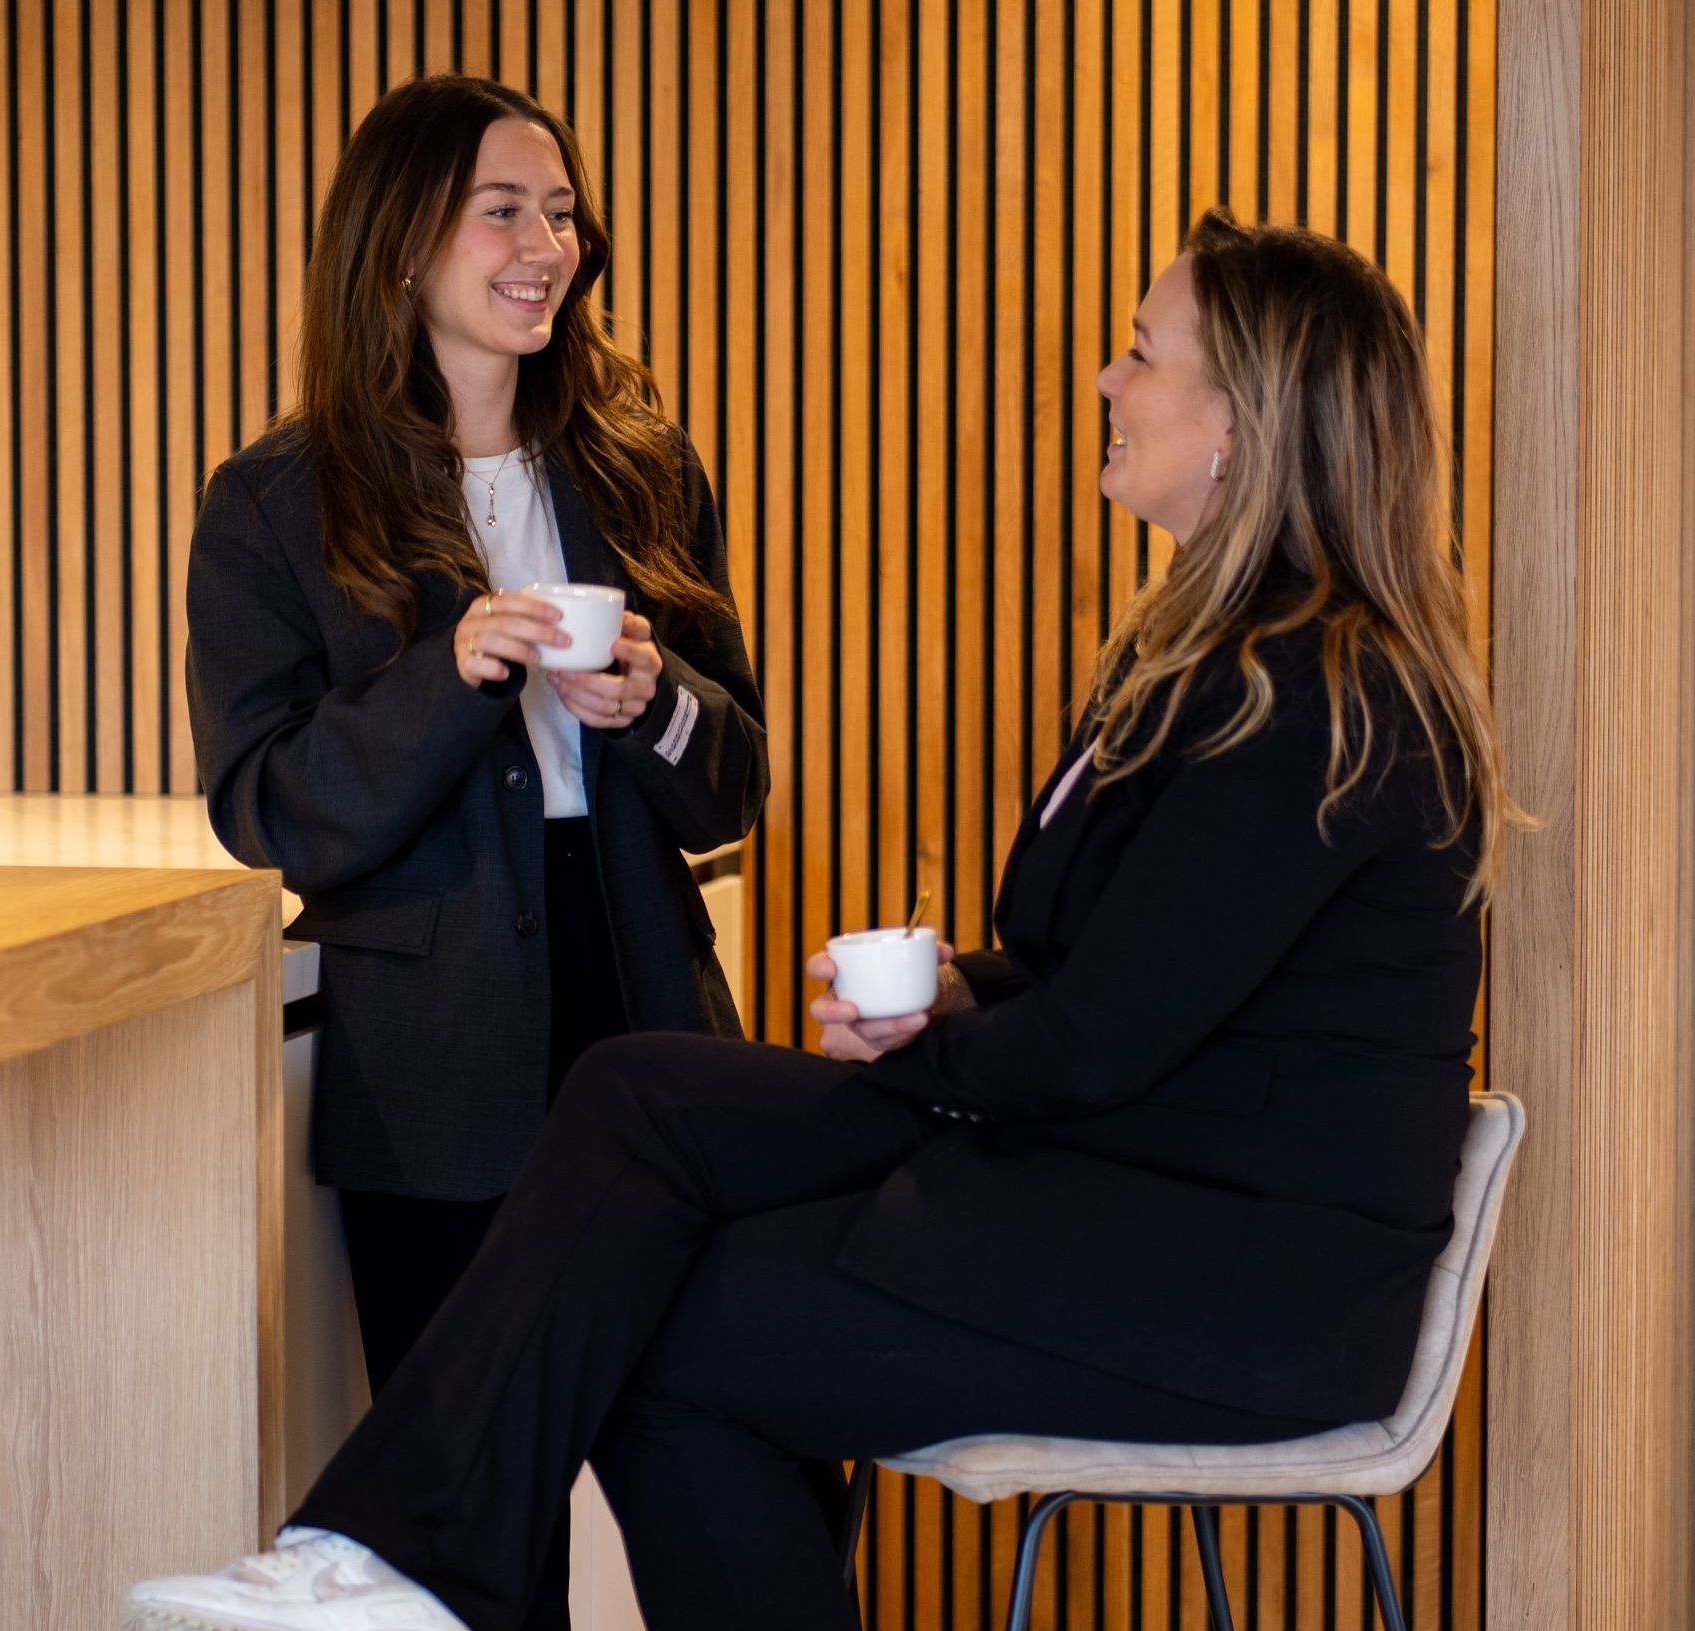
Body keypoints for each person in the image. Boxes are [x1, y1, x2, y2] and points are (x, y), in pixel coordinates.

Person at [129, 209, 1516, 1631]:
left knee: (661, 1338)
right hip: (1134, 1195)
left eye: (1139, 354)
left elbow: (1102, 1043)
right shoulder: (1218, 656)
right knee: (638, 1091)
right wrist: (956, 1002)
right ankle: (383, 1562)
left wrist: (919, 1050)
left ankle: (386, 1563)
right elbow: (1103, 980)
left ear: (1244, 421)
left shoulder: (1319, 698)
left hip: (1233, 1282)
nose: (1104, 382)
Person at [181, 73, 766, 1631]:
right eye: (503, 209)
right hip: (432, 1062)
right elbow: (274, 806)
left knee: (725, 1475)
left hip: (642, 1005)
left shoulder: (646, 468)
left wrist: (654, 705)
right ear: (402, 245)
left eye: (561, 211)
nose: (546, 244)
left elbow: (737, 781)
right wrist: (448, 679)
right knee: (478, 1545)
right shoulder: (276, 505)